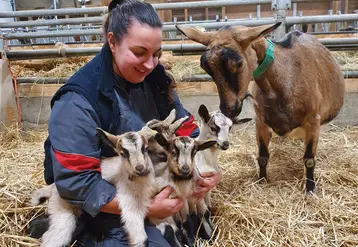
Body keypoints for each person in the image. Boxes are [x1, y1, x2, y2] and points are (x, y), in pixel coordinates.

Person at [30, 0, 221, 246]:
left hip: (147, 180)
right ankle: (84, 230)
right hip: (106, 196)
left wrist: (204, 172)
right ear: (112, 41)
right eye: (139, 52)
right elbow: (76, 183)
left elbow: (187, 131)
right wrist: (148, 208)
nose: (150, 63)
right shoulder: (77, 100)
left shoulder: (156, 79)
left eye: (156, 53)